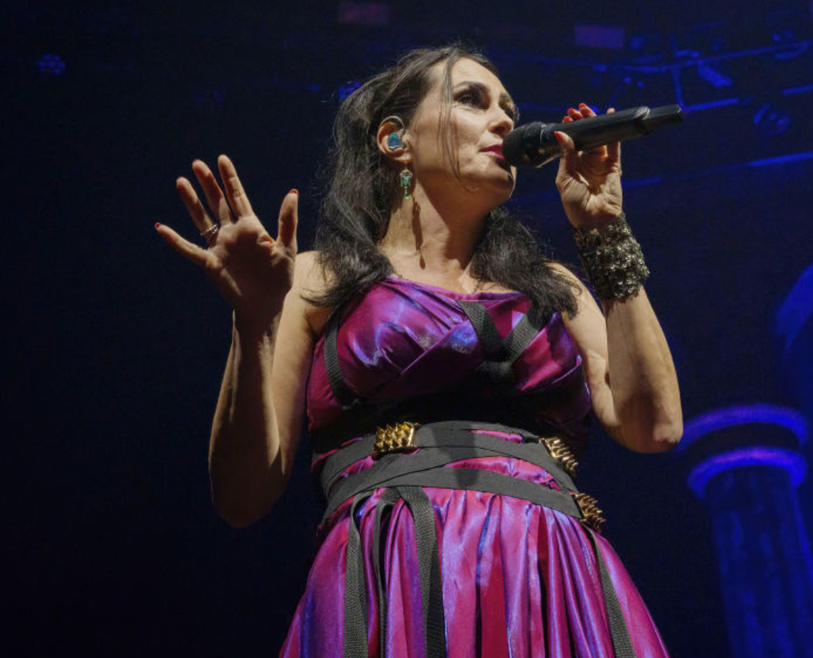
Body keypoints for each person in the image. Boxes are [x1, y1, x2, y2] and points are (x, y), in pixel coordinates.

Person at [156, 44, 683, 658]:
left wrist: (603, 229)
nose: (506, 121)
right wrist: (252, 322)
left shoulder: (555, 288)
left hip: (549, 571)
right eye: (472, 100)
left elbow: (656, 426)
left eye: (509, 108)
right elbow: (243, 496)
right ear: (394, 141)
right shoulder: (316, 277)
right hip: (394, 565)